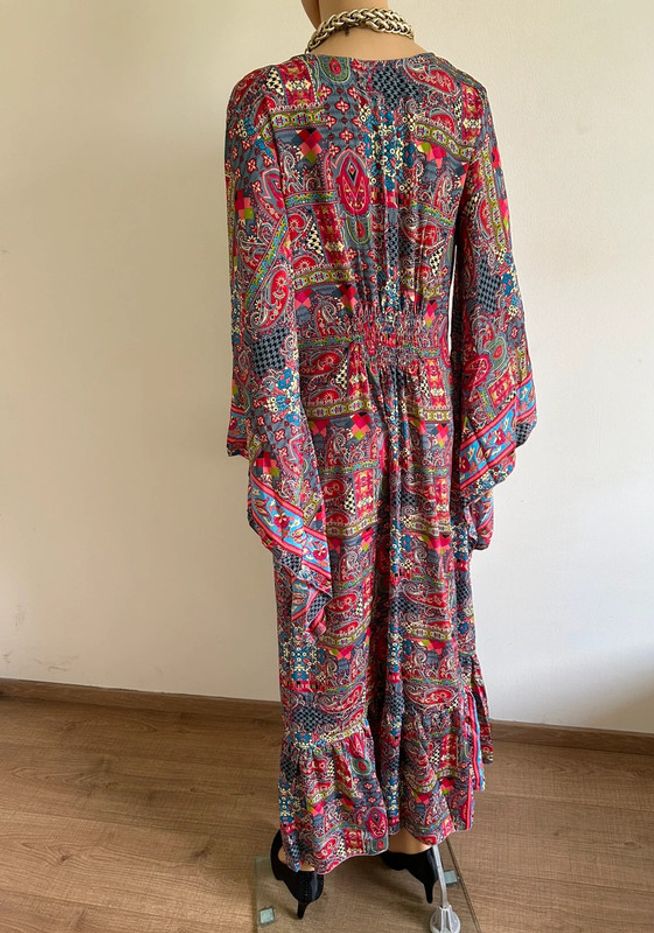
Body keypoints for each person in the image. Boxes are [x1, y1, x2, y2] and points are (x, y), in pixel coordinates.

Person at [224, 0, 537, 918]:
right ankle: (414, 832)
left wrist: (275, 437)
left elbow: (262, 298)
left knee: (327, 624)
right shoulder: (462, 103)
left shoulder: (268, 103)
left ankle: (317, 841)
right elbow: (491, 293)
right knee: (428, 617)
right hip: (433, 415)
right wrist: (476, 420)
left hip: (324, 423)